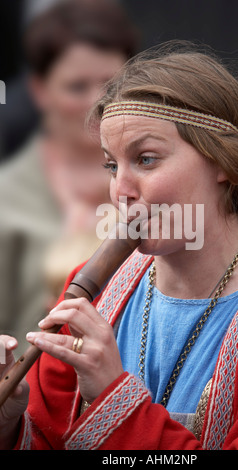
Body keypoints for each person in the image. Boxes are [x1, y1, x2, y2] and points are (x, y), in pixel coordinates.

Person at [1, 41, 238, 450]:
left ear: (225, 163)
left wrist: (112, 395)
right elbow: (46, 438)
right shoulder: (93, 294)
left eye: (146, 159)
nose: (120, 191)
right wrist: (10, 424)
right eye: (111, 164)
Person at [0, 0, 138, 354]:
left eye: (110, 84)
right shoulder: (8, 197)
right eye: (76, 87)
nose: (97, 102)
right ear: (39, 91)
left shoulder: (171, 183)